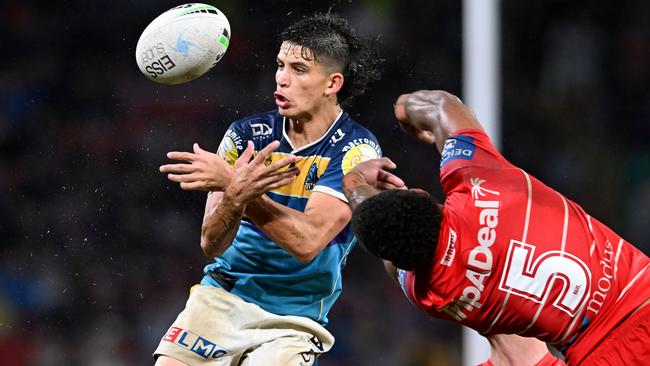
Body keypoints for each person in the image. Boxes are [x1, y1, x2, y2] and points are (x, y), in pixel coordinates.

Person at [342, 90, 650, 365]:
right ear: (420, 194)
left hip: (600, 356)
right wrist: (401, 110)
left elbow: (391, 256)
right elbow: (441, 104)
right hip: (642, 294)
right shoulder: (479, 181)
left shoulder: (436, 294)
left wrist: (354, 187)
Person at [153, 13, 389, 366]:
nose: (281, 79)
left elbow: (307, 243)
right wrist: (234, 197)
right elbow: (211, 243)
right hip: (223, 296)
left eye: (298, 69)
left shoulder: (356, 151)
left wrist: (236, 185)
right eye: (280, 65)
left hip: (293, 317)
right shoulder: (245, 135)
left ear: (332, 83)